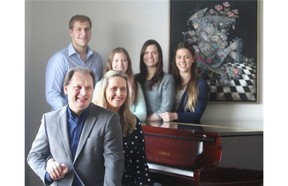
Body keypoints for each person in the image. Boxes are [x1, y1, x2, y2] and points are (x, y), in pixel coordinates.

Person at [27, 67, 124, 186]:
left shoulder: (109, 119)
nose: (84, 93)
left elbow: (114, 163)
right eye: (78, 87)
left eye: (89, 87)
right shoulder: (49, 120)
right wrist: (48, 173)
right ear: (66, 89)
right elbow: (34, 156)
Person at [95, 70, 153, 186]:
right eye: (114, 88)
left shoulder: (133, 122)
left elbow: (140, 164)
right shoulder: (93, 120)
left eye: (123, 89)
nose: (119, 93)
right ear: (104, 91)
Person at [45, 14, 104, 110]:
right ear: (71, 32)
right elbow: (52, 94)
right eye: (79, 29)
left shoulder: (97, 59)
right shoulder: (60, 59)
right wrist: (71, 113)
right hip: (65, 118)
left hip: (91, 117)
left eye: (86, 29)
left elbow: (98, 91)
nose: (84, 33)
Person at [92, 47, 147, 121]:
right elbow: (94, 111)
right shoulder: (100, 84)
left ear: (128, 63)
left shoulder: (136, 85)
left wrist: (123, 118)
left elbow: (142, 114)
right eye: (116, 61)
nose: (120, 64)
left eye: (124, 60)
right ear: (110, 63)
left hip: (129, 125)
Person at [159, 42, 209, 124]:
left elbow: (197, 115)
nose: (182, 60)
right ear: (175, 59)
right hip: (168, 129)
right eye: (179, 57)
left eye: (187, 57)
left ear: (193, 59)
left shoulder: (201, 84)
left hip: (189, 132)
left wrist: (175, 116)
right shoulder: (169, 81)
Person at [135, 39, 175, 122]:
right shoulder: (135, 78)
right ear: (142, 56)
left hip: (158, 126)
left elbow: (165, 109)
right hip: (136, 124)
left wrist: (145, 120)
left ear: (159, 56)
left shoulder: (167, 79)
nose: (150, 56)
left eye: (154, 53)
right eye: (146, 53)